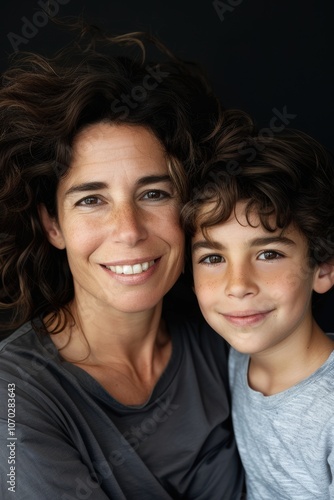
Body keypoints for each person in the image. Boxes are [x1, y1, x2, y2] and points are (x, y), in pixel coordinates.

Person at [0, 25, 244, 499]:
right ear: (53, 225)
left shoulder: (230, 333)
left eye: (153, 193)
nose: (129, 229)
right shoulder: (13, 395)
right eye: (91, 200)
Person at [182, 109, 334, 499]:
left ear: (323, 269)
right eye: (213, 259)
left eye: (268, 254)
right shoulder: (234, 361)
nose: (237, 286)